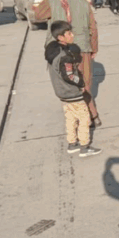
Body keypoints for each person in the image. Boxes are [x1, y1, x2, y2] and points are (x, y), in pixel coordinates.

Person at [35, 0, 102, 127]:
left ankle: (77, 119)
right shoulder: (83, 2)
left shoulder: (52, 1)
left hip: (60, 51)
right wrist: (94, 48)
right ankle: (94, 116)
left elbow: (38, 15)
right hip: (83, 48)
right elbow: (93, 27)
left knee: (67, 83)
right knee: (84, 83)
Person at [45, 21, 102, 158]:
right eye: (69, 33)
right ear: (61, 37)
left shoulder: (53, 51)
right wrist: (81, 84)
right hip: (72, 93)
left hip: (62, 92)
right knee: (84, 118)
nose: (72, 35)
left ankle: (72, 143)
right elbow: (69, 75)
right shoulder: (65, 56)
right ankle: (84, 146)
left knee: (70, 118)